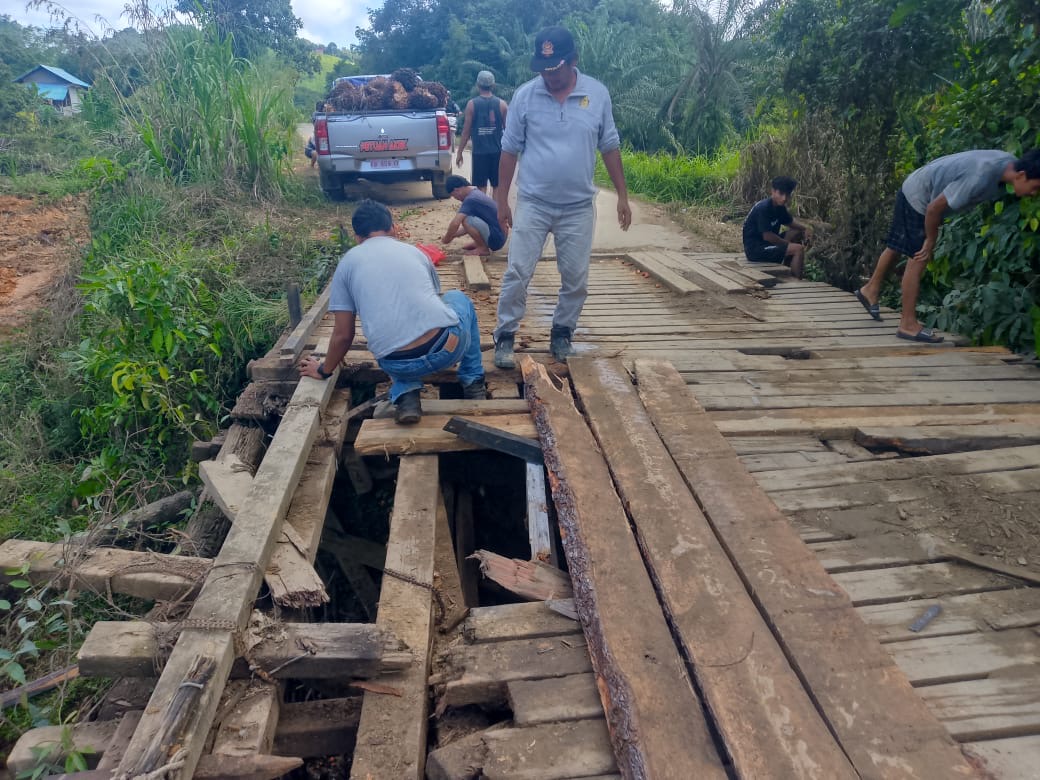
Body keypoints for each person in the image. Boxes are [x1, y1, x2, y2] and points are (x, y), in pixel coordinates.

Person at [493, 26, 632, 367]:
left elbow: (610, 146)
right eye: (543, 69)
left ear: (573, 61)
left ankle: (562, 333)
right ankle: (505, 336)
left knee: (575, 277)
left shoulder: (597, 95)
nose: (549, 77)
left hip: (578, 208)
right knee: (518, 271)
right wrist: (500, 201)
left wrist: (623, 196)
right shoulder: (525, 96)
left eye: (555, 69)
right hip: (534, 203)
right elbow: (509, 151)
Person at [299, 199, 486, 424]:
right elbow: (436, 299)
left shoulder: (346, 265)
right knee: (457, 298)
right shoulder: (414, 252)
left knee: (391, 335)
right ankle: (473, 382)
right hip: (447, 349)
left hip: (396, 363)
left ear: (357, 237)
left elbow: (343, 336)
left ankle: (407, 395)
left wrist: (323, 370)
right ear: (393, 229)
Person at [856, 149, 1040, 342]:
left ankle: (870, 290)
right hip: (920, 197)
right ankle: (907, 324)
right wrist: (930, 240)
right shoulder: (981, 176)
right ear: (1021, 175)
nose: (1034, 194)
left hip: (918, 186)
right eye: (1035, 187)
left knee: (897, 245)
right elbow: (934, 208)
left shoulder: (1009, 163)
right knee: (918, 256)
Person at [742, 176, 813, 278]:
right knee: (798, 249)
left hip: (767, 244)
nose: (784, 198)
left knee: (796, 232)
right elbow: (768, 236)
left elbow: (790, 222)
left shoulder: (780, 207)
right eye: (781, 194)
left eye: (787, 195)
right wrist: (788, 245)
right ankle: (796, 281)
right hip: (756, 250)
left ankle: (789, 266)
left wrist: (805, 229)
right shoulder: (764, 208)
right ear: (773, 191)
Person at [455, 71, 508, 197]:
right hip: (497, 152)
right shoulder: (502, 104)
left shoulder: (472, 104)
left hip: (479, 153)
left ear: (478, 85)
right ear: (493, 85)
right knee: (497, 186)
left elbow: (466, 131)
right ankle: (494, 214)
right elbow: (509, 132)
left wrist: (459, 152)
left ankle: (483, 213)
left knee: (480, 187)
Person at [441, 174, 507, 256]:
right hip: (501, 235)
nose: (457, 199)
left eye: (455, 196)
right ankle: (479, 243)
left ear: (457, 190)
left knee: (466, 220)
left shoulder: (470, 200)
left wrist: (447, 238)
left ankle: (482, 248)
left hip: (497, 239)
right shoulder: (475, 192)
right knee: (469, 220)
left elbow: (455, 223)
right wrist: (453, 235)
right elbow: (472, 226)